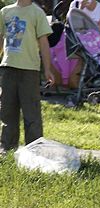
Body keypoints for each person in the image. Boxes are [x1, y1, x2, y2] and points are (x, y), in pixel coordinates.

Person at [0, 0, 54, 153]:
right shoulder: (5, 12)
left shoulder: (37, 13)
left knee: (31, 112)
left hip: (29, 70)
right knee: (7, 111)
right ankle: (7, 148)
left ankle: (34, 150)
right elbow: (1, 39)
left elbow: (44, 43)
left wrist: (47, 69)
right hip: (8, 68)